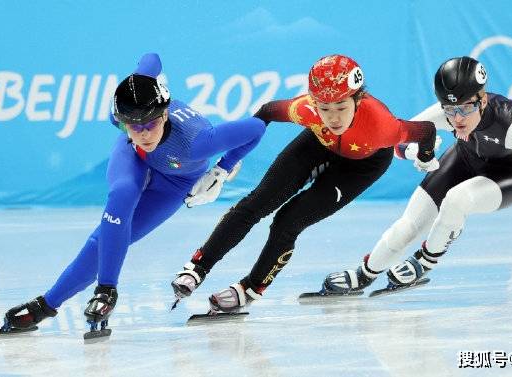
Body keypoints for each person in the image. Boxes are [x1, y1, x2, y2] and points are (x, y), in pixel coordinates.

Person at [0, 53, 267, 332]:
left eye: (150, 124)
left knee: (113, 239)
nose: (143, 133)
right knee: (122, 196)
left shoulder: (198, 143)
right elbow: (150, 60)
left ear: (164, 114)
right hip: (135, 159)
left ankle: (48, 304)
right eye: (133, 126)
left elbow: (256, 128)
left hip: (175, 182)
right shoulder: (125, 121)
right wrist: (140, 82)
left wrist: (222, 170)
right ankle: (97, 293)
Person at [171, 54, 439, 313]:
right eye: (325, 108)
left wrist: (426, 156)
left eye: (341, 108)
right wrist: (226, 165)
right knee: (256, 203)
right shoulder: (307, 110)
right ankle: (197, 268)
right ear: (315, 103)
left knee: (288, 222)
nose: (333, 118)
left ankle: (251, 288)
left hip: (362, 165)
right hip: (318, 143)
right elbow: (264, 114)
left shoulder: (382, 126)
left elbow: (426, 129)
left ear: (358, 99)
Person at [321, 56, 512, 294]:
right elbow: (398, 141)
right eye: (450, 110)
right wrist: (417, 154)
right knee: (408, 224)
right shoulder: (444, 113)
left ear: (482, 100)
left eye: (466, 108)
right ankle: (365, 274)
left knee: (457, 200)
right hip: (466, 159)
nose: (457, 118)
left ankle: (424, 262)